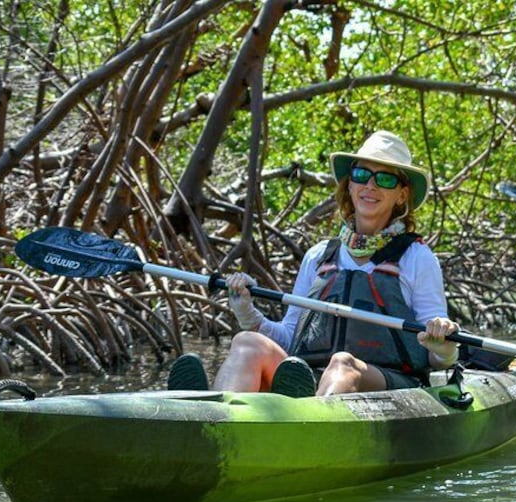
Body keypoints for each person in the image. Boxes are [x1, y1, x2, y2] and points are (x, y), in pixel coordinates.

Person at [168, 130, 460, 397]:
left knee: (342, 364)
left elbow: (438, 359)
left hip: (389, 382)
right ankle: (213, 415)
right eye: (361, 174)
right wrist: (246, 311)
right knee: (247, 343)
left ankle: (306, 425)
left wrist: (442, 345)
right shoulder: (319, 256)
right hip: (312, 378)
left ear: (402, 194)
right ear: (350, 184)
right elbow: (290, 337)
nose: (370, 186)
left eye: (385, 179)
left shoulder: (417, 258)